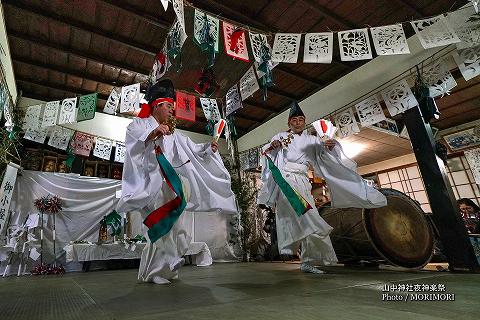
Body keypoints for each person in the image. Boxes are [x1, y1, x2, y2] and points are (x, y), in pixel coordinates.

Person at [116, 79, 237, 284]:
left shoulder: (173, 133)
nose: (172, 109)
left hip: (170, 184)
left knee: (176, 227)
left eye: (173, 106)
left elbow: (193, 149)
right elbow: (134, 142)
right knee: (161, 227)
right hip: (151, 184)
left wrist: (209, 147)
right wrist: (153, 133)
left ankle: (162, 270)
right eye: (169, 105)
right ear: (156, 106)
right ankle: (157, 271)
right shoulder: (140, 124)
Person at [258, 101, 387, 274]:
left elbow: (324, 154)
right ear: (289, 123)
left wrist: (331, 147)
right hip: (286, 182)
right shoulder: (280, 136)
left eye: (300, 120)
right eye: (294, 120)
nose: (297, 122)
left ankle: (308, 261)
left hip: (303, 181)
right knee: (308, 218)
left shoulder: (312, 139)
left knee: (307, 220)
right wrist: (273, 147)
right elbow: (265, 151)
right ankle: (310, 246)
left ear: (305, 122)